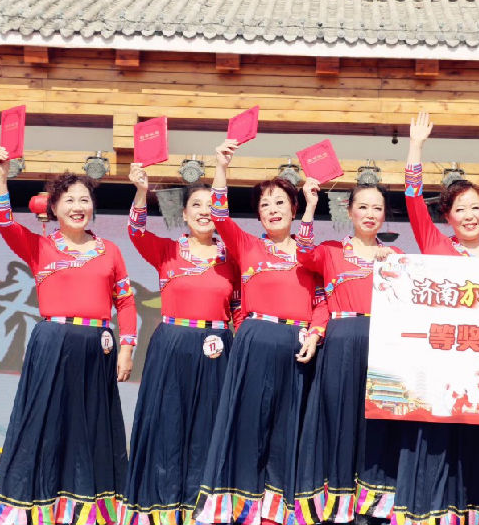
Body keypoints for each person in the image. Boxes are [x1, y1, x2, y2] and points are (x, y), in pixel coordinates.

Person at [0, 147, 136, 525]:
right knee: (44, 423)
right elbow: (3, 221)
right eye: (69, 200)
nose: (78, 206)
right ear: (52, 208)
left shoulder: (110, 251)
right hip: (52, 343)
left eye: (84, 199)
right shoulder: (40, 245)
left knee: (92, 429)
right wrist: (1, 177)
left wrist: (127, 349)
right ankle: (34, 508)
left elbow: (126, 303)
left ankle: (87, 511)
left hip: (98, 347)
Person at [194, 139, 328, 525]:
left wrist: (315, 334)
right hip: (254, 342)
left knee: (287, 430)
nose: (272, 210)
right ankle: (238, 508)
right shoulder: (247, 245)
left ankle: (277, 512)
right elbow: (219, 213)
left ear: (294, 209)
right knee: (247, 423)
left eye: (280, 203)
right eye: (265, 205)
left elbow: (323, 302)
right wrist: (221, 167)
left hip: (296, 346)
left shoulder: (310, 252)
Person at [397, 111, 479, 525]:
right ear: (447, 217)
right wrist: (415, 147)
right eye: (460, 209)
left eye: (475, 208)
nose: (469, 216)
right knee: (440, 444)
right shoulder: (435, 245)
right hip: (442, 365)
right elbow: (413, 200)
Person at [119, 156, 241, 525]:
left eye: (211, 205)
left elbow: (239, 311)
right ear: (184, 214)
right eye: (196, 206)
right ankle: (162, 505)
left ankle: (204, 507)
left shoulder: (233, 258)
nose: (204, 212)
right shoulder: (167, 251)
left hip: (218, 348)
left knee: (211, 426)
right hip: (171, 344)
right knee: (167, 423)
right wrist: (141, 192)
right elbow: (135, 231)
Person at [293, 179, 401, 524]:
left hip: (383, 345)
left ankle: (374, 505)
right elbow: (302, 253)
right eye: (363, 207)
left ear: (385, 215)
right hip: (341, 342)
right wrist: (310, 206)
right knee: (338, 419)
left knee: (377, 422)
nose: (370, 214)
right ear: (350, 211)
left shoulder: (396, 256)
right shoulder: (330, 251)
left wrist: (393, 267)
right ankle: (336, 505)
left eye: (377, 208)